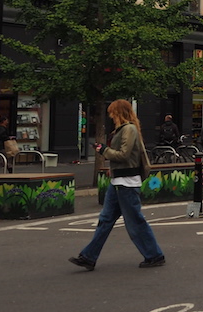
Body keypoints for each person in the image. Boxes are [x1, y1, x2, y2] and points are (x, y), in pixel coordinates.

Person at [69, 99, 165, 271]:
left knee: (134, 221)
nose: (111, 116)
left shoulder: (129, 129)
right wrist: (112, 169)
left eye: (113, 112)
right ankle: (89, 257)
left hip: (126, 183)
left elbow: (124, 154)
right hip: (119, 181)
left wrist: (103, 151)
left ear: (119, 112)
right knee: (106, 220)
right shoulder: (126, 129)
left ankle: (154, 255)